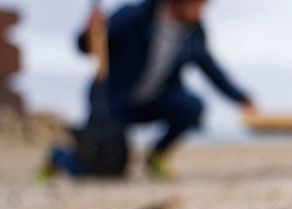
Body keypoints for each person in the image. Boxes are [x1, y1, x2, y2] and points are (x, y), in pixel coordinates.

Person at [43, 0, 254, 179]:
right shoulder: (134, 16)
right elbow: (87, 46)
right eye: (197, 4)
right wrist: (88, 32)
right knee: (105, 168)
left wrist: (240, 98)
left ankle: (156, 155)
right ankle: (59, 158)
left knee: (192, 106)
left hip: (154, 101)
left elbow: (210, 68)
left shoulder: (193, 31)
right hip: (112, 103)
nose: (201, 10)